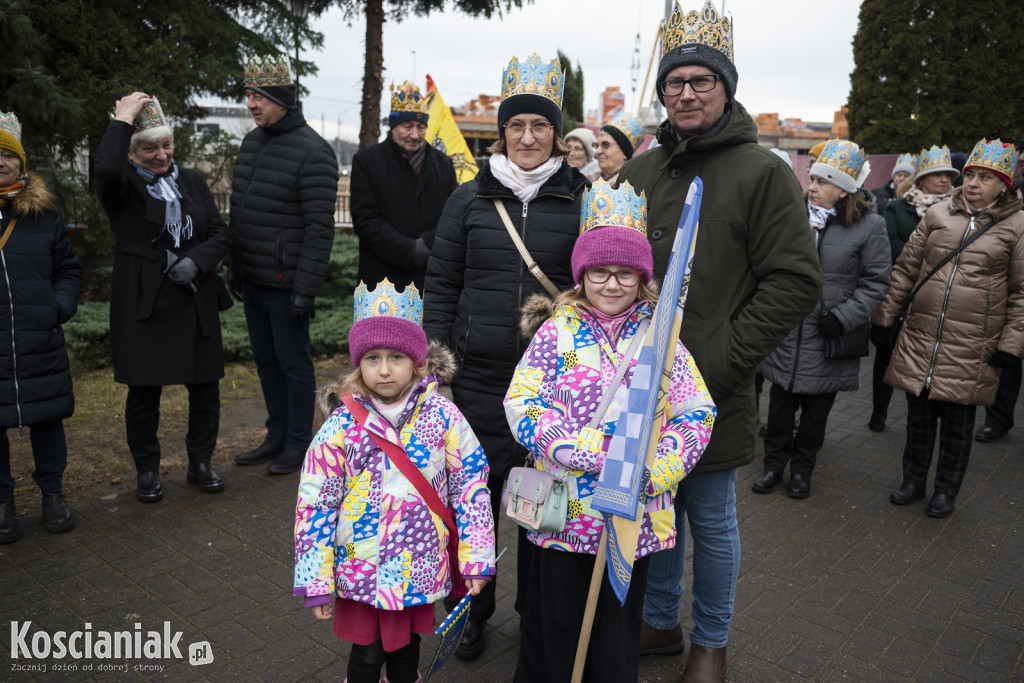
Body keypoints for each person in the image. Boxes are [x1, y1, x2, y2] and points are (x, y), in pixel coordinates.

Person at [617, 2, 823, 679]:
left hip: (713, 384)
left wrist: (723, 357)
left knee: (710, 516)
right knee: (659, 510)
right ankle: (659, 623)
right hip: (637, 383)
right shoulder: (642, 172)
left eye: (702, 80)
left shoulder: (760, 172)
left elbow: (794, 281)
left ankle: (711, 640)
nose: (686, 93)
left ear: (726, 88)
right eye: (675, 82)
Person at [505, 180, 715, 683]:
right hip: (564, 513)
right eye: (600, 271)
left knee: (616, 629)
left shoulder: (662, 340)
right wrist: (577, 450)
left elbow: (696, 412)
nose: (613, 283)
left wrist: (655, 469)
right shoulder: (557, 331)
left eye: (626, 273)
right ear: (582, 274)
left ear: (642, 277)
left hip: (631, 516)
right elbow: (521, 401)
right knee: (557, 623)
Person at [423, 51, 588, 660]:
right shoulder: (468, 201)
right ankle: (471, 611)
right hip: (476, 382)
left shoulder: (582, 200)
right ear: (503, 132)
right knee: (474, 508)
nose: (526, 137)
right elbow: (441, 284)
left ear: (556, 132)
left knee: (549, 511)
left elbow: (599, 288)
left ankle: (536, 615)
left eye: (539, 126)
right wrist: (436, 366)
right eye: (516, 125)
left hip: (554, 392)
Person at [294, 279, 496, 683]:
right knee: (366, 658)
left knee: (406, 658)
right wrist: (315, 577)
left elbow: (470, 487)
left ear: (417, 361)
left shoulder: (443, 417)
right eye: (372, 357)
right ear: (358, 363)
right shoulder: (341, 427)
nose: (384, 369)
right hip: (361, 568)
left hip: (416, 567)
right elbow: (316, 501)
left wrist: (476, 558)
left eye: (396, 356)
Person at [873, 139, 1024, 519]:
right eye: (970, 174)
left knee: (958, 426)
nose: (972, 182)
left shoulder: (1018, 226)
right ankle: (913, 481)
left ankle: (946, 491)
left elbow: (1022, 293)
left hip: (974, 345)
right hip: (923, 337)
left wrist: (1012, 343)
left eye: (985, 177)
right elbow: (906, 270)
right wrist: (884, 316)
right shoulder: (938, 214)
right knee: (919, 420)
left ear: (1005, 184)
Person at [96, 94, 231, 503]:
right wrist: (122, 119)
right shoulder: (122, 186)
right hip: (144, 297)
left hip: (193, 293)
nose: (160, 155)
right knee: (144, 390)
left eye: (166, 145)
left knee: (206, 386)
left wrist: (197, 262)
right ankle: (148, 471)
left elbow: (220, 233)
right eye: (148, 148)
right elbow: (105, 168)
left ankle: (200, 462)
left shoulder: (191, 180)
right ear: (133, 151)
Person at [754, 140, 890, 498]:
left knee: (816, 414)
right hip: (787, 332)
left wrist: (843, 318)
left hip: (828, 336)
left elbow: (876, 283)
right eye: (811, 179)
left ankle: (801, 472)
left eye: (821, 182)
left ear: (844, 190)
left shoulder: (870, 226)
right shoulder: (794, 217)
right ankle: (772, 468)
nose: (811, 187)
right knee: (780, 409)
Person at [230, 55, 339, 476]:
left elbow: (318, 229)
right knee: (266, 362)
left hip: (286, 285)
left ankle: (298, 441)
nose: (252, 105)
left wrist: (305, 290)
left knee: (293, 365)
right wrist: (235, 267)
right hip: (254, 280)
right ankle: (275, 436)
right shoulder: (252, 141)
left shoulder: (314, 152)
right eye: (248, 96)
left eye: (259, 97)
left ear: (282, 100)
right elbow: (241, 209)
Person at [0, 111, 81, 541]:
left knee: (48, 420)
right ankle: (2, 503)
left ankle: (53, 494)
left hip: (39, 340)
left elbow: (68, 269)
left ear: (21, 162)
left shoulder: (41, 214)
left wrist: (58, 307)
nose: (0, 162)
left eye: (6, 154)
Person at [869, 144, 959, 432]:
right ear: (921, 179)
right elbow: (891, 245)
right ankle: (879, 411)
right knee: (886, 354)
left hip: (937, 299)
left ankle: (920, 415)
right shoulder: (898, 206)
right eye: (937, 175)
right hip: (902, 293)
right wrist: (928, 258)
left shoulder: (958, 213)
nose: (944, 180)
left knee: (923, 357)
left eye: (948, 175)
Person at [351, 81, 456, 291]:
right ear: (393, 127)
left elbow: (453, 216)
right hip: (381, 279)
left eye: (420, 127)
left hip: (431, 276)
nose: (415, 135)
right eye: (407, 127)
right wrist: (409, 250)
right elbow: (365, 219)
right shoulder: (367, 161)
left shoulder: (444, 164)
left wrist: (426, 245)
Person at [975, 137, 1024, 443]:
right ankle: (999, 418)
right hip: (1012, 283)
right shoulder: (1013, 189)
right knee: (1008, 354)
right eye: (1021, 159)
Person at [594, 111, 645, 185]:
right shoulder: (588, 179)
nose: (598, 151)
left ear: (624, 153)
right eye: (597, 145)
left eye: (606, 145)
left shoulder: (631, 187)